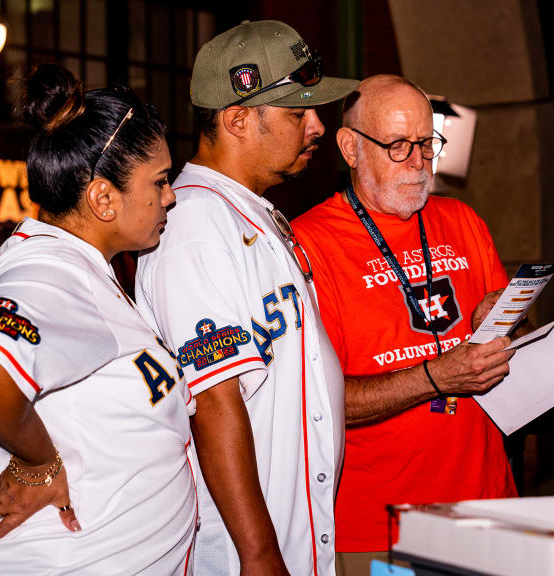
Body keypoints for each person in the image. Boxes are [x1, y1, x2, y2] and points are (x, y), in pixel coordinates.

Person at [0, 64, 196, 574]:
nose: (170, 195)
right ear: (103, 198)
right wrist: (41, 463)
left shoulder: (80, 267)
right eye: (159, 181)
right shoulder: (51, 270)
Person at [134, 20, 357, 576]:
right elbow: (215, 401)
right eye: (297, 112)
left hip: (289, 530)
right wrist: (259, 555)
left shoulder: (249, 209)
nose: (317, 126)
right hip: (237, 552)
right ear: (237, 119)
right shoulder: (193, 224)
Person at [292, 74, 528, 576]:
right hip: (379, 529)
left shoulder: (462, 220)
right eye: (399, 145)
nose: (420, 163)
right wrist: (436, 378)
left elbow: (516, 347)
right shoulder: (308, 244)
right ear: (351, 147)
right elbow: (318, 405)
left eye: (427, 143)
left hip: (488, 509)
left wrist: (509, 326)